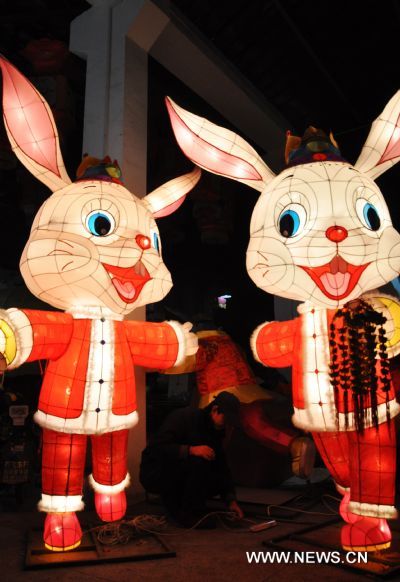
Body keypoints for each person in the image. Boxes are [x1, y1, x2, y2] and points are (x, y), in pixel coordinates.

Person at [140, 391, 244, 528]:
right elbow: (156, 448)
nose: (226, 426)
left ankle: (193, 508)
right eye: (226, 420)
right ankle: (186, 514)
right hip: (157, 472)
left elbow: (222, 467)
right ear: (214, 410)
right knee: (199, 461)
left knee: (214, 471)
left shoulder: (216, 432)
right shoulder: (185, 417)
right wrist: (191, 450)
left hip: (183, 473)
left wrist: (231, 501)